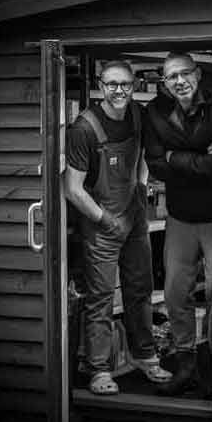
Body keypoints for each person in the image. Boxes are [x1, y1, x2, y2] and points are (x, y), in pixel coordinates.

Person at [64, 58, 173, 395]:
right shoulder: (84, 128)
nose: (119, 90)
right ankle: (98, 369)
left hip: (134, 215)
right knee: (100, 298)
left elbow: (141, 155)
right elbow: (72, 189)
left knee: (140, 288)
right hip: (100, 222)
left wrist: (141, 188)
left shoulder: (137, 115)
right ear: (101, 85)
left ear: (134, 84)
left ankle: (145, 356)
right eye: (112, 84)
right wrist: (105, 220)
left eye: (125, 84)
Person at [143, 51, 212, 397]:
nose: (179, 81)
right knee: (175, 293)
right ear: (164, 82)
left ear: (197, 75)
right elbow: (155, 164)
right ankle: (185, 365)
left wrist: (174, 157)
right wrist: (202, 161)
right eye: (171, 77)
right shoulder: (154, 111)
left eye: (185, 74)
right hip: (179, 216)